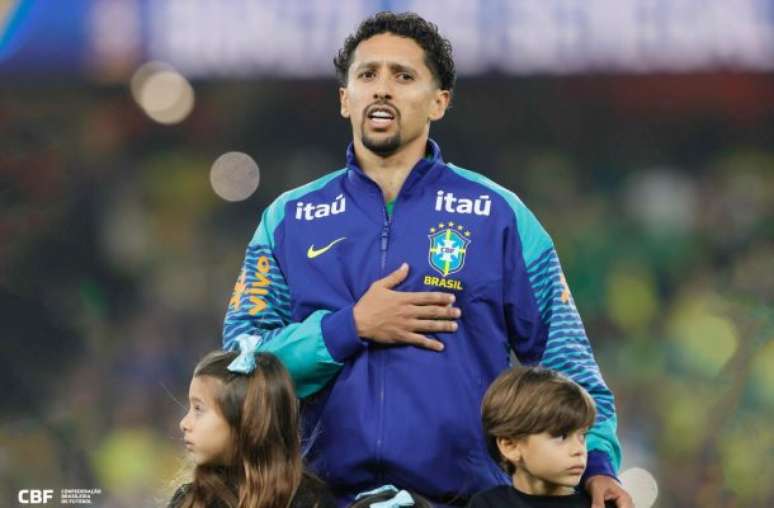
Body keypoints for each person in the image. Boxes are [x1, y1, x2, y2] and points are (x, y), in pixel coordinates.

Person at [223, 11, 632, 508]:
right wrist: (350, 327)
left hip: (466, 499)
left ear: (439, 102)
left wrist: (598, 466)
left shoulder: (498, 215)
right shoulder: (288, 219)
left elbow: (566, 362)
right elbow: (239, 371)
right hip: (321, 497)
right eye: (367, 74)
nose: (382, 89)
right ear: (344, 98)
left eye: (404, 76)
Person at [169, 339, 337, 508]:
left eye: (199, 409)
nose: (184, 423)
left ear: (247, 421)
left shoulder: (310, 501)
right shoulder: (189, 501)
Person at [468, 366, 616, 508]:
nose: (579, 450)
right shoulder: (487, 504)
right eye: (562, 436)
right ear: (510, 446)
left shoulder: (600, 504)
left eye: (582, 436)